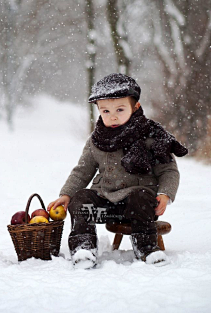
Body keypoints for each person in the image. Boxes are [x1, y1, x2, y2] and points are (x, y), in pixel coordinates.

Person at [47, 73, 188, 269]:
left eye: (120, 109)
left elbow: (168, 170)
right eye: (105, 111)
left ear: (135, 107)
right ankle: (84, 248)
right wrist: (66, 194)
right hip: (104, 204)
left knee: (141, 196)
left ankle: (147, 249)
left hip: (138, 207)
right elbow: (82, 171)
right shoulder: (96, 140)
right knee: (80, 200)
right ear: (98, 111)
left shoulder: (150, 137)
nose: (112, 116)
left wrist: (165, 194)